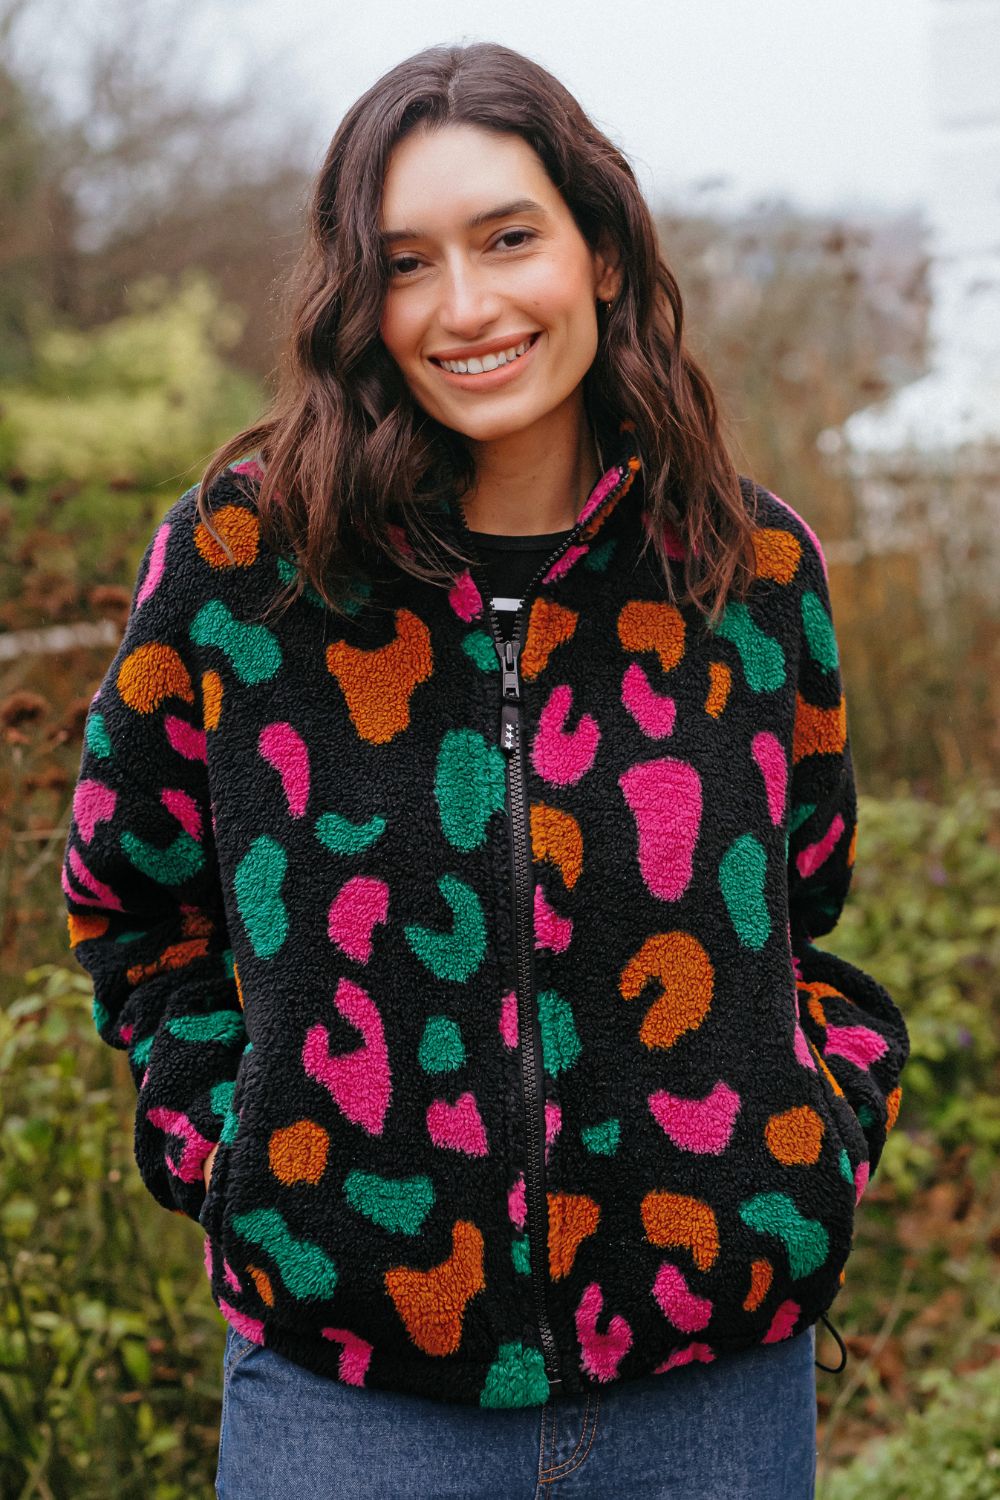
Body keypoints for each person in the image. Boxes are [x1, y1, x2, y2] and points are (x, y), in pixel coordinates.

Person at [60, 40, 910, 1500]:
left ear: (600, 252)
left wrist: (822, 1127)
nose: (465, 307)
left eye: (508, 239)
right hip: (352, 1394)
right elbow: (132, 909)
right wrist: (235, 1156)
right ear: (355, 297)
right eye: (405, 262)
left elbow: (802, 902)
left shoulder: (750, 572)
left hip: (712, 1386)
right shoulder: (242, 573)